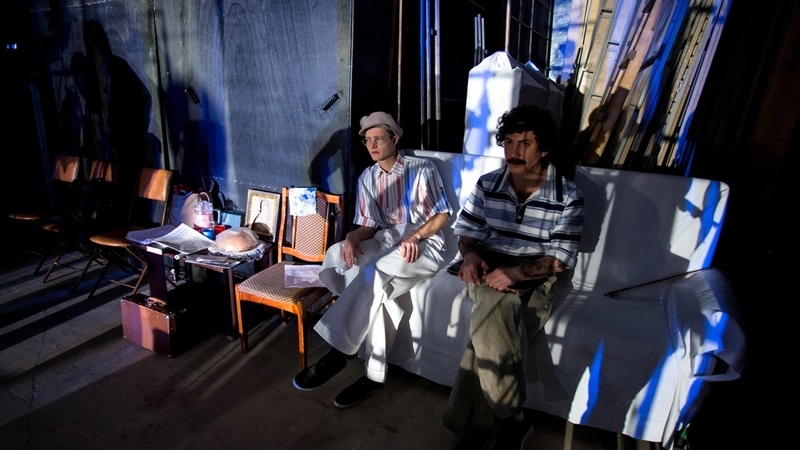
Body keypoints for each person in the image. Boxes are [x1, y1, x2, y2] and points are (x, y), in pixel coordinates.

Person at [443, 105, 584, 449]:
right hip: (489, 264)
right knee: (496, 306)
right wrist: (471, 255)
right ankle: (513, 420)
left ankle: (487, 427)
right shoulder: (488, 183)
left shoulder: (567, 195)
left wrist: (517, 272)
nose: (514, 152)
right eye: (508, 142)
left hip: (535, 274)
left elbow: (559, 258)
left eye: (525, 143)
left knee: (488, 322)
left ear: (544, 149)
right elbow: (468, 231)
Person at [292, 111, 453, 409]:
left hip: (423, 243)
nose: (373, 145)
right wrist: (352, 237)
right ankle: (374, 377)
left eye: (379, 138)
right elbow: (368, 224)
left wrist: (415, 236)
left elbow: (441, 215)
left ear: (395, 138)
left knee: (375, 271)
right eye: (368, 140)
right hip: (388, 240)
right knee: (352, 267)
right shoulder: (368, 177)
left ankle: (338, 354)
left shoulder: (421, 168)